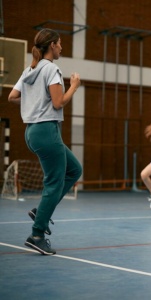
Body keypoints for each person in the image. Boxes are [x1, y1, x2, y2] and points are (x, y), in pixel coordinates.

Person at [8, 28, 82, 255]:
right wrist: (74, 87)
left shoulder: (29, 69)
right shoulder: (51, 69)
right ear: (51, 45)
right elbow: (59, 103)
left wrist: (33, 102)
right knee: (54, 182)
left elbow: (12, 97)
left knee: (74, 170)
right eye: (59, 44)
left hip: (31, 132)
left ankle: (41, 211)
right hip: (47, 131)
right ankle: (37, 234)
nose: (61, 47)